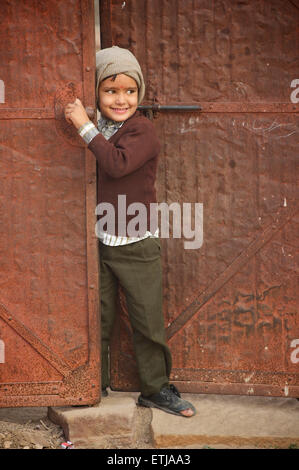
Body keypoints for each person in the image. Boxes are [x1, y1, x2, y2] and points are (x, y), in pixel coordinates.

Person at [64, 46, 195, 417]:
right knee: (98, 317)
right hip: (100, 242)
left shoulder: (142, 130)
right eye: (110, 91)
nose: (121, 100)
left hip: (137, 243)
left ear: (139, 93)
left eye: (129, 91)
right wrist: (86, 127)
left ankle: (155, 389)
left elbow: (117, 164)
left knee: (147, 320)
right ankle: (94, 382)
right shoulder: (100, 128)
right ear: (97, 93)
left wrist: (83, 126)